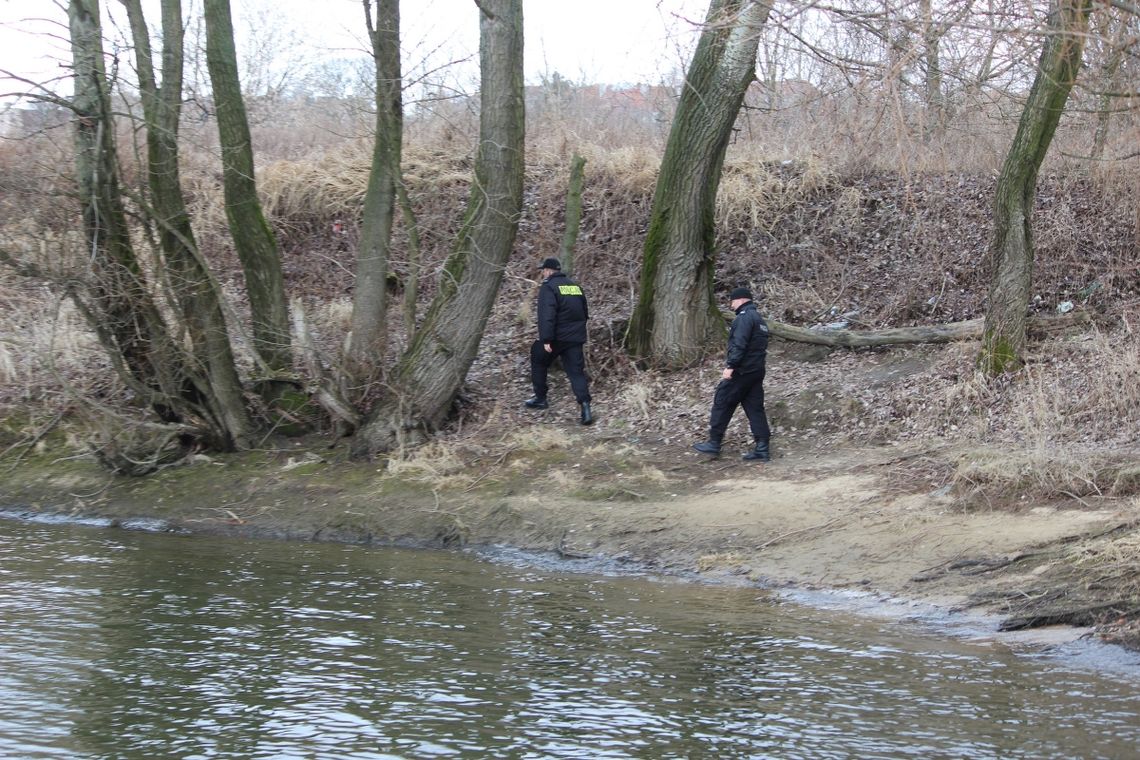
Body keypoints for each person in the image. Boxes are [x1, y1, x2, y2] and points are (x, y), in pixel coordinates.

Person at [693, 286, 771, 461]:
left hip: (742, 371)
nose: (731, 304)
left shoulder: (743, 319)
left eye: (733, 300)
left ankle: (714, 443)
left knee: (722, 401)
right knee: (755, 408)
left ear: (742, 299)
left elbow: (739, 344)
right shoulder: (760, 320)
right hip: (757, 371)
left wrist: (731, 366)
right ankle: (763, 449)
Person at [525, 257, 594, 425]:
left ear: (548, 271)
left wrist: (546, 339)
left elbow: (546, 316)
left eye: (543, 270)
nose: (542, 273)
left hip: (556, 338)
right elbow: (585, 313)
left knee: (538, 357)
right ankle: (585, 408)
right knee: (576, 372)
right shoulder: (575, 287)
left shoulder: (548, 287)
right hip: (575, 338)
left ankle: (540, 398)